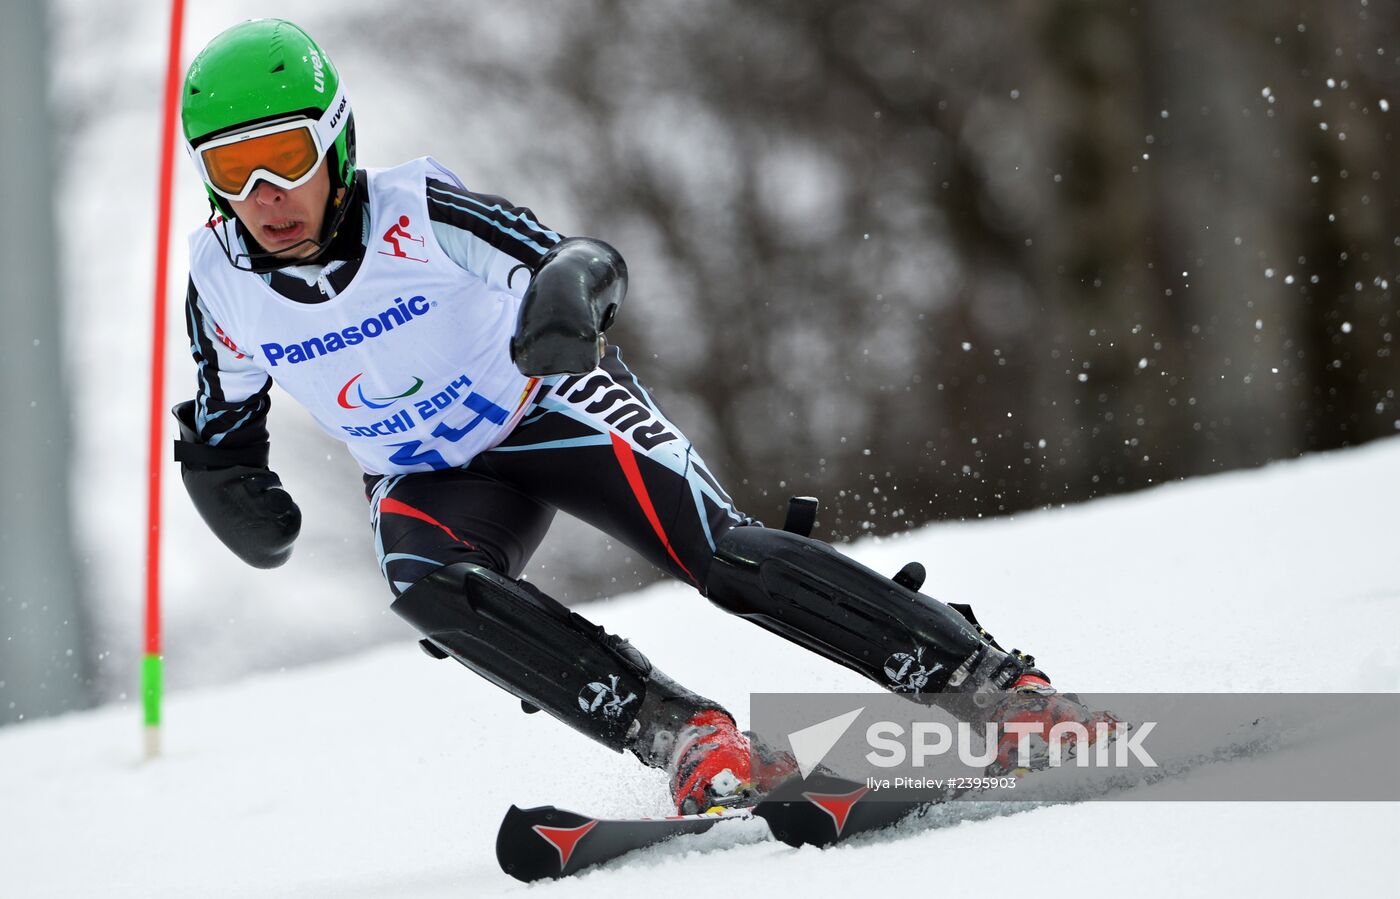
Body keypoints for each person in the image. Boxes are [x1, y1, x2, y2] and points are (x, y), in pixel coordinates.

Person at [175, 18, 1111, 814]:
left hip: (547, 404)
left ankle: (985, 685)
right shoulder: (219, 284)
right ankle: (686, 737)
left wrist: (565, 300)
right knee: (427, 584)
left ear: (335, 142)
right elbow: (222, 420)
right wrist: (225, 479)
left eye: (284, 158)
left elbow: (576, 256)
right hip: (428, 474)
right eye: (232, 169)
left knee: (723, 555)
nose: (265, 198)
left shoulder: (414, 209)